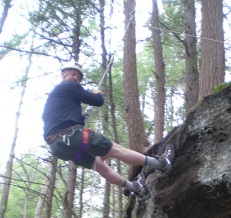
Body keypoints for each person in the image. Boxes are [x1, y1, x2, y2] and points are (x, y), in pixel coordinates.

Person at [42, 62, 173, 196]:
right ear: (63, 74)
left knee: (100, 166)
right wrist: (98, 94)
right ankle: (160, 163)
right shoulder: (68, 86)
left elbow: (61, 119)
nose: (76, 79)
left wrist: (80, 120)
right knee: (117, 150)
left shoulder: (57, 96)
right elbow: (97, 101)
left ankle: (135, 188)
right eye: (74, 74)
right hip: (70, 136)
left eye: (79, 77)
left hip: (58, 146)